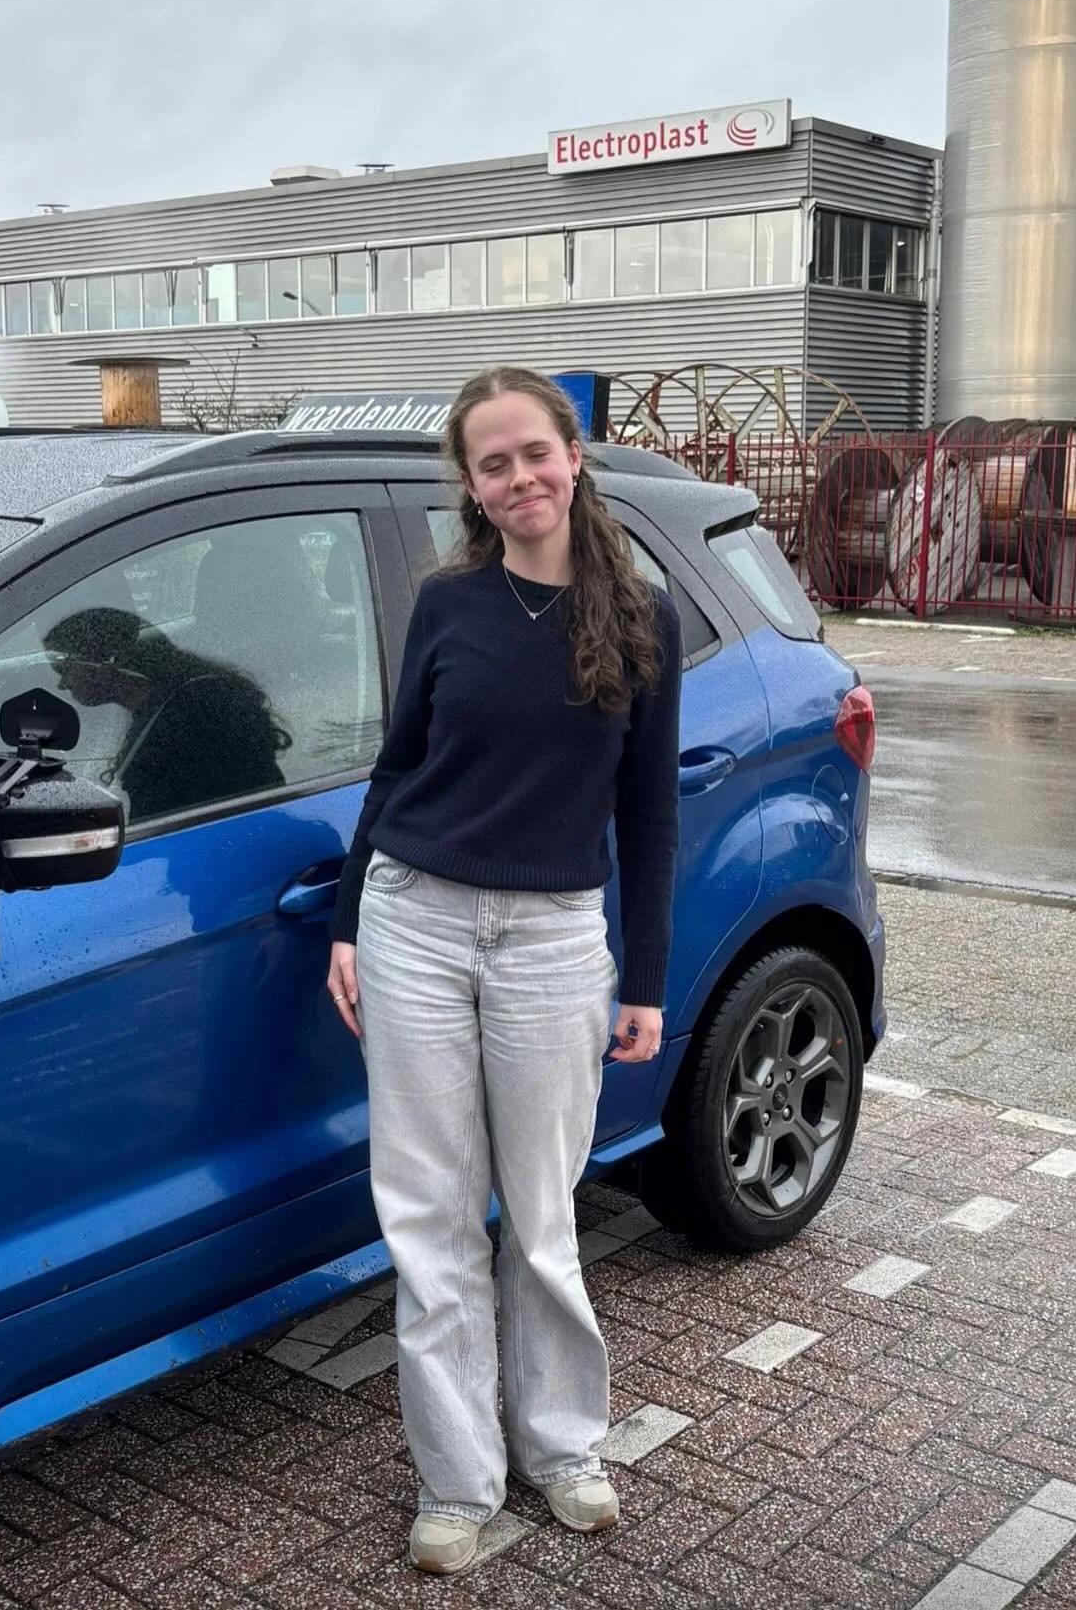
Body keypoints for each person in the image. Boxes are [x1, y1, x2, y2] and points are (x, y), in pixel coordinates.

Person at [326, 365, 682, 1575]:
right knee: (430, 1220)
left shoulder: (641, 615)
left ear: (574, 454)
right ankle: (456, 1479)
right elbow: (397, 768)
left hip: (552, 939)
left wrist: (646, 981)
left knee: (541, 1216)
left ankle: (564, 1446)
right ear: (471, 486)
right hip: (415, 921)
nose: (520, 476)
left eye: (536, 451)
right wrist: (348, 918)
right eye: (494, 463)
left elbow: (650, 814)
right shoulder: (448, 604)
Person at [41, 606, 290, 823]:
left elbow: (165, 817)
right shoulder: (174, 704)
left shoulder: (192, 717)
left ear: (105, 661)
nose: (62, 684)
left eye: (63, 669)